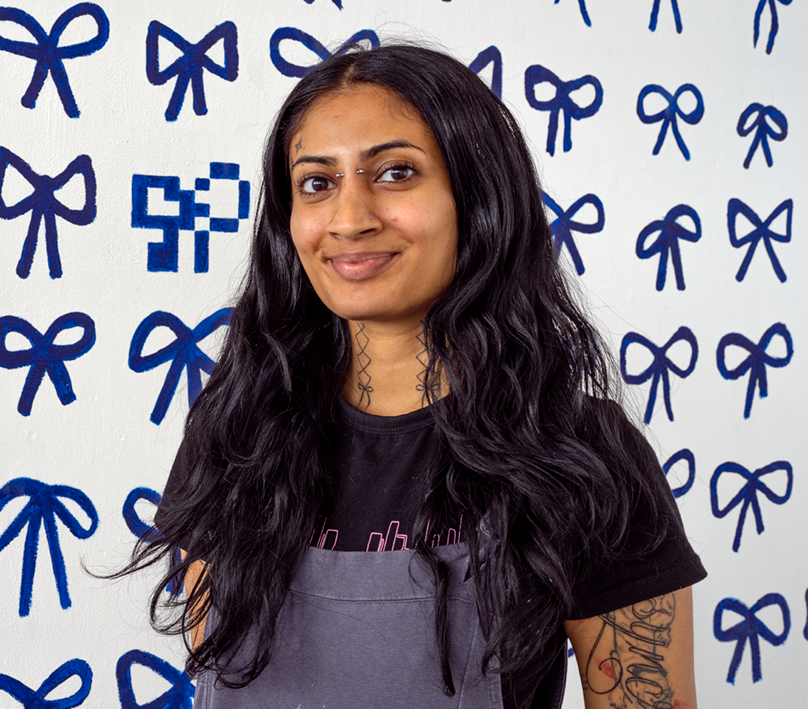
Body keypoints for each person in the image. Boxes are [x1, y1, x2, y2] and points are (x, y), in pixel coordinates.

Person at [124, 43, 706, 709]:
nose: (349, 218)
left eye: (396, 173)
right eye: (317, 182)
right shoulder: (234, 429)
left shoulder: (579, 454)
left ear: (477, 195)